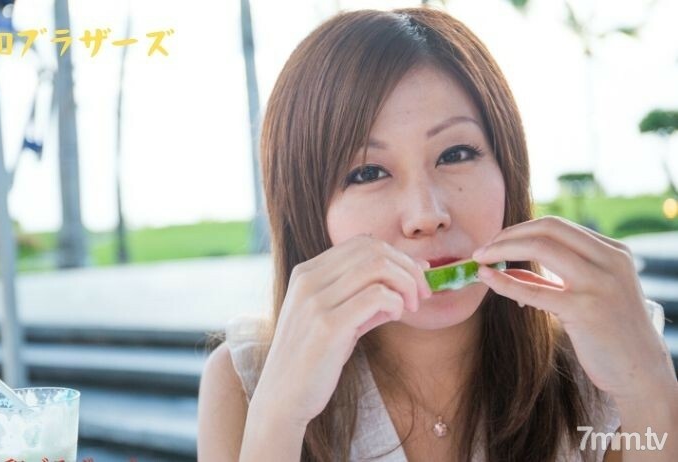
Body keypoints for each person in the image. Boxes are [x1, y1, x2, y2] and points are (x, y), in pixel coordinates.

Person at [197, 6, 677, 461]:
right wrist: (280, 415)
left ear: (508, 169)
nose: (427, 215)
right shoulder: (245, 384)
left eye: (455, 154)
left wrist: (649, 385)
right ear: (307, 213)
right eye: (368, 173)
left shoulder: (600, 369)